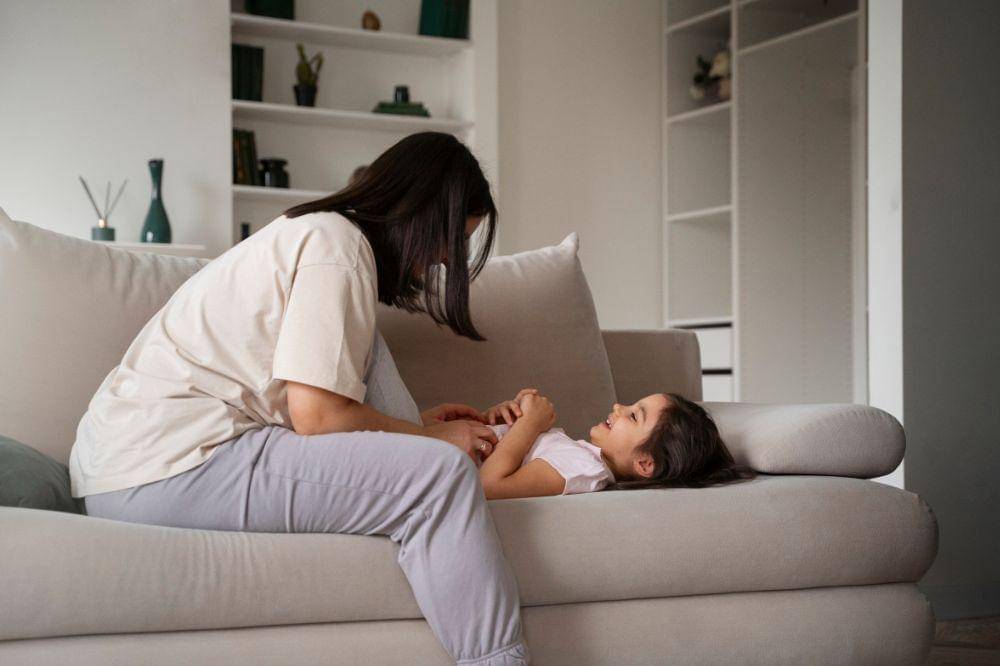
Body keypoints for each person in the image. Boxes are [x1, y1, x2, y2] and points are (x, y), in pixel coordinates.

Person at [70, 132, 529, 665]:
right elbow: (317, 417)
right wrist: (433, 441)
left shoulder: (315, 234)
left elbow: (309, 402)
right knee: (439, 477)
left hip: (131, 465)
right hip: (167, 466)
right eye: (452, 237)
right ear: (419, 210)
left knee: (382, 374)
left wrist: (413, 426)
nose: (448, 259)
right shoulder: (336, 247)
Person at [476, 389, 756, 500]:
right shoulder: (581, 455)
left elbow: (486, 487)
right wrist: (506, 419)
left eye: (634, 415)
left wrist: (530, 424)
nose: (618, 407)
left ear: (645, 463)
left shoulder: (582, 468)